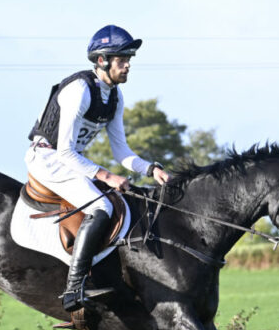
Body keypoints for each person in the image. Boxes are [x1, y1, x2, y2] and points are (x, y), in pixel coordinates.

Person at [26, 25, 171, 312]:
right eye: (122, 59)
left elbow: (122, 152)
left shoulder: (115, 97)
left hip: (70, 161)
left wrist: (151, 168)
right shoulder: (79, 90)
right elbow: (64, 150)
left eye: (129, 58)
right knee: (102, 208)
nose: (128, 64)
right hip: (48, 158)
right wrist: (105, 175)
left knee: (124, 203)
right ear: (102, 61)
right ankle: (73, 287)